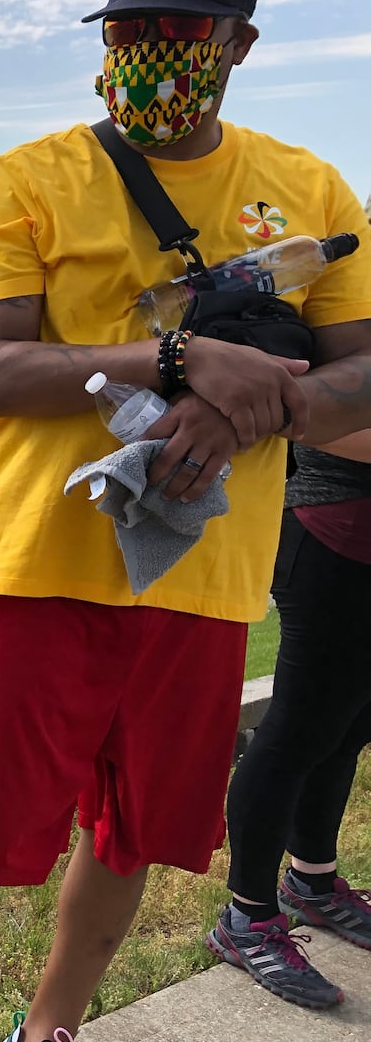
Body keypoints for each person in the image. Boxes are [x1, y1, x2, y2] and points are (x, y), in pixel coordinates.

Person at [0, 0, 371, 1042]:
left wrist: (265, 399)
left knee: (134, 837)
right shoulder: (27, 179)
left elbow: (362, 372)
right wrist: (176, 356)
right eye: (129, 35)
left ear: (238, 43)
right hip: (33, 562)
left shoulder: (311, 190)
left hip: (203, 581)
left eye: (181, 36)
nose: (152, 58)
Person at [210, 429, 371, 1007]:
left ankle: (313, 882)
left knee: (349, 725)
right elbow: (311, 417)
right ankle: (248, 918)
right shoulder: (344, 334)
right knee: (297, 731)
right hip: (332, 532)